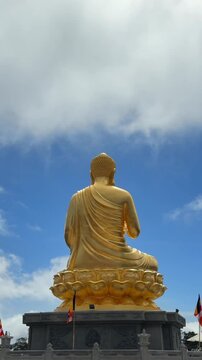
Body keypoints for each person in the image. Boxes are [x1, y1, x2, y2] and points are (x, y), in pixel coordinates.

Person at [64, 153, 158, 272]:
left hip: (82, 261)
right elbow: (134, 232)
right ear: (112, 173)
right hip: (120, 259)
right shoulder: (124, 195)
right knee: (152, 262)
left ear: (91, 174)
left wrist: (79, 252)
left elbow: (68, 234)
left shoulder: (76, 198)